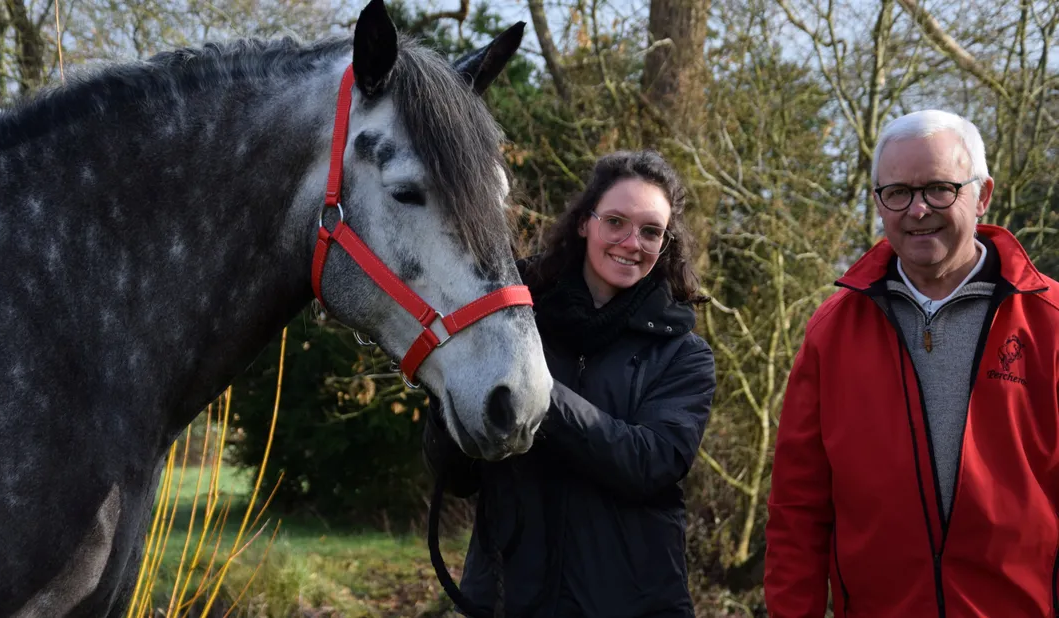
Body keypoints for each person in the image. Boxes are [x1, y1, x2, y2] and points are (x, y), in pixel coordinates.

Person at [763, 109, 1059, 617]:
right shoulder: (831, 333)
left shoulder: (1050, 323)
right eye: (897, 192)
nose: (918, 210)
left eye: (940, 188)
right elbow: (798, 512)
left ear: (983, 194)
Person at [423, 149, 717, 617]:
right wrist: (450, 389)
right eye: (616, 221)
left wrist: (536, 388)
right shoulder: (513, 327)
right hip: (506, 602)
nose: (631, 242)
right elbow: (458, 477)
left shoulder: (684, 356)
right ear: (584, 223)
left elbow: (648, 463)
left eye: (650, 231)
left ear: (666, 244)